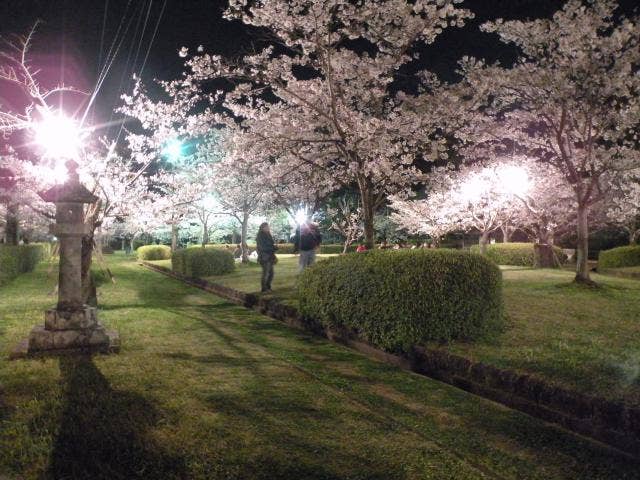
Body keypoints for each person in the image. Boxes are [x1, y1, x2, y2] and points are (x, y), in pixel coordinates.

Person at [256, 222, 278, 293]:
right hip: (264, 257)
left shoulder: (268, 235)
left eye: (268, 227)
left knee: (271, 273)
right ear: (262, 228)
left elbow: (270, 245)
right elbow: (262, 247)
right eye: (267, 227)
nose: (268, 228)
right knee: (266, 273)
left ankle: (268, 287)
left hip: (270, 256)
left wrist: (274, 247)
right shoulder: (260, 236)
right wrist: (272, 248)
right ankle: (264, 289)